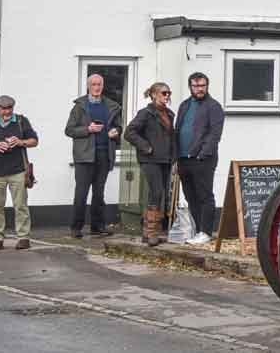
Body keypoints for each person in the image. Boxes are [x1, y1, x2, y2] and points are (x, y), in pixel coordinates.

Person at [65, 74, 123, 238]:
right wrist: (87, 129)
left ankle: (97, 227)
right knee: (81, 193)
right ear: (88, 86)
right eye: (94, 84)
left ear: (103, 86)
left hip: (104, 154)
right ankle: (76, 227)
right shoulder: (80, 106)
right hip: (84, 156)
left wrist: (116, 132)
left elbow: (119, 127)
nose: (97, 87)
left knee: (99, 192)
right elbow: (69, 130)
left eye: (99, 84)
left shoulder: (111, 106)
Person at [0, 95, 38, 250]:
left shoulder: (20, 121)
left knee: (20, 205)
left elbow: (34, 140)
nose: (6, 112)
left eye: (9, 109)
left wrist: (20, 142)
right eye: (3, 109)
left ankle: (23, 237)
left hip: (18, 170)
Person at [175, 72, 224, 245]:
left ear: (207, 86)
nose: (199, 89)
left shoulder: (214, 106)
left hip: (202, 159)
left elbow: (214, 134)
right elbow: (178, 129)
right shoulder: (184, 105)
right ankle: (197, 231)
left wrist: (203, 154)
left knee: (204, 195)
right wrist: (176, 157)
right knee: (190, 196)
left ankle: (206, 232)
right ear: (190, 87)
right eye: (196, 86)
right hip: (183, 158)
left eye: (202, 85)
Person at [125, 82, 175, 247]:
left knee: (158, 195)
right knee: (157, 193)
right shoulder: (146, 113)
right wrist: (146, 147)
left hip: (166, 160)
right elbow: (129, 132)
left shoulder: (169, 114)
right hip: (150, 159)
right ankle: (153, 232)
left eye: (168, 93)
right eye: (163, 93)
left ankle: (148, 232)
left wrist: (174, 157)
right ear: (153, 94)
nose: (166, 96)